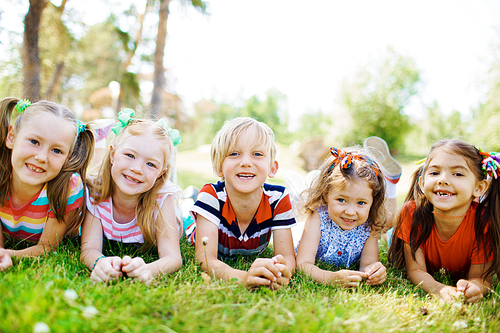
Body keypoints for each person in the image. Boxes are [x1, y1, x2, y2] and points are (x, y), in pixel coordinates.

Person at [186, 117, 296, 289]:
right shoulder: (211, 196)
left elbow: (287, 257)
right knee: (185, 217)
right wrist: (245, 277)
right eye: (234, 154)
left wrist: (278, 273)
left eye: (257, 154)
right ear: (219, 167)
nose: (245, 162)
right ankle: (188, 200)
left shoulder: (278, 198)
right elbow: (205, 260)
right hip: (196, 229)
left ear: (272, 168)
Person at [388, 139, 500, 303]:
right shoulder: (411, 213)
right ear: (423, 182)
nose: (443, 180)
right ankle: (390, 183)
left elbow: (481, 280)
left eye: (458, 174)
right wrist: (440, 289)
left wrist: (474, 287)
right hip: (406, 233)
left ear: (479, 188)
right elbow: (416, 271)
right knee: (389, 233)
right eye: (434, 173)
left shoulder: (484, 222)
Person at [80, 109, 183, 285]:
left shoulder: (162, 197)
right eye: (130, 155)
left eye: (151, 164)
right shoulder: (96, 192)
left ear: (160, 173)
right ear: (112, 154)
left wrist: (146, 269)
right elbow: (89, 249)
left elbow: (173, 257)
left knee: (187, 209)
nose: (137, 168)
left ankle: (189, 196)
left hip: (179, 216)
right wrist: (101, 263)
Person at [0, 97, 94, 270]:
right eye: (34, 142)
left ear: (67, 158)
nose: (42, 157)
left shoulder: (68, 187)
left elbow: (46, 248)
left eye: (56, 150)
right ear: (12, 137)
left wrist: (9, 254)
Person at [296, 147, 388, 286]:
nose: (351, 212)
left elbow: (368, 264)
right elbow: (303, 264)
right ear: (326, 194)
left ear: (373, 201)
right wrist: (332, 278)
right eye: (341, 200)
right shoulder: (317, 217)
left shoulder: (370, 224)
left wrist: (374, 273)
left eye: (361, 203)